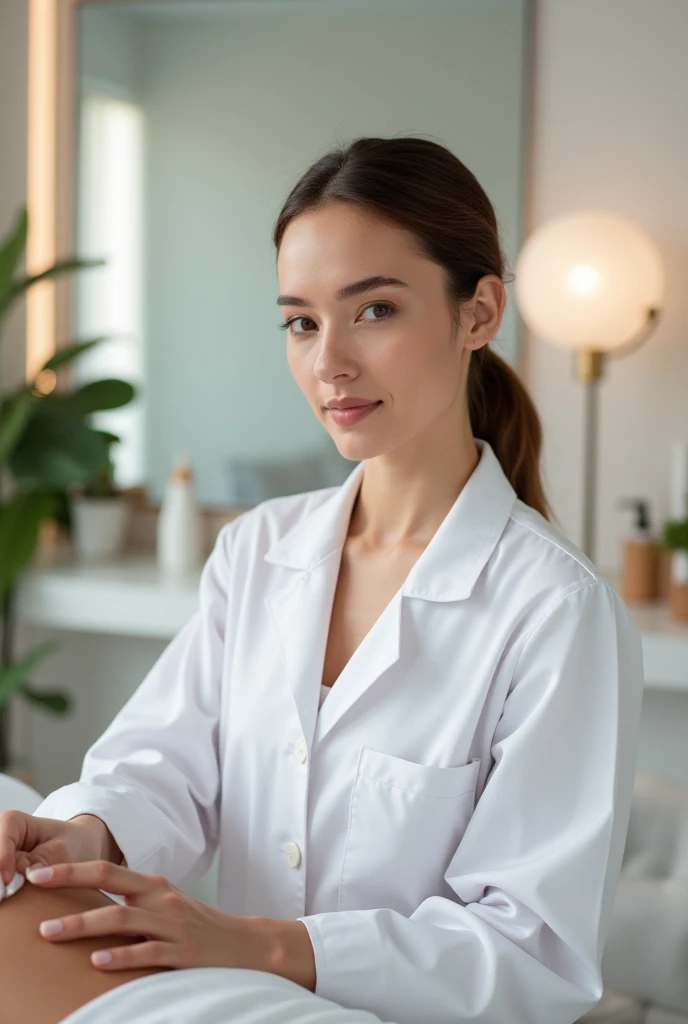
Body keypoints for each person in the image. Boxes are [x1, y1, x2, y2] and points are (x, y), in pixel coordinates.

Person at [0, 135, 644, 1024]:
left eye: (373, 310)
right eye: (301, 321)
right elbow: (166, 767)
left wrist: (262, 944)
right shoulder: (260, 549)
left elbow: (529, 952)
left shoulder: (558, 611)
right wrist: (84, 832)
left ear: (480, 312)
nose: (329, 361)